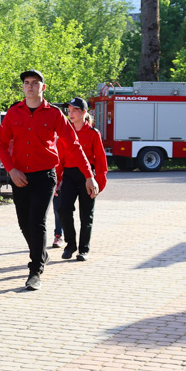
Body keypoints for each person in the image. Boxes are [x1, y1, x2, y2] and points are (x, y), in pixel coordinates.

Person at [0, 70, 97, 292]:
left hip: (44, 175)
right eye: (26, 83)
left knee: (37, 221)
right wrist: (11, 170)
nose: (30, 86)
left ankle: (35, 270)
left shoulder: (55, 114)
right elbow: (0, 144)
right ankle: (41, 254)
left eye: (35, 83)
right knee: (24, 222)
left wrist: (89, 175)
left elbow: (74, 145)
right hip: (19, 175)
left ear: (43, 87)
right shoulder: (14, 113)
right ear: (22, 87)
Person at [57, 97, 108, 262]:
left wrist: (99, 183)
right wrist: (57, 181)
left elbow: (101, 160)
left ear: (84, 113)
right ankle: (70, 244)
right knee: (64, 209)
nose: (70, 114)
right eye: (69, 111)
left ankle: (83, 249)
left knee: (86, 214)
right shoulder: (65, 133)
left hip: (88, 177)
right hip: (69, 176)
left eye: (75, 111)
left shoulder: (93, 133)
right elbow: (59, 159)